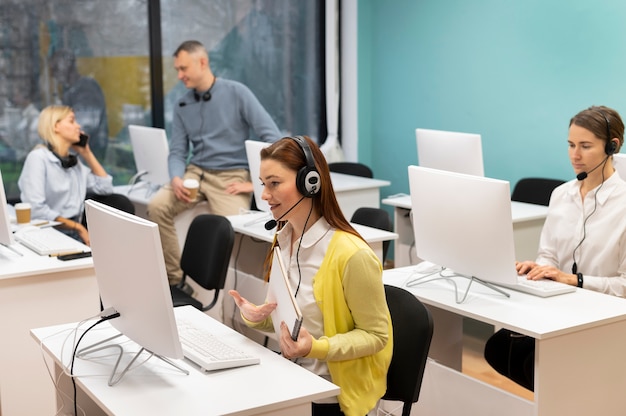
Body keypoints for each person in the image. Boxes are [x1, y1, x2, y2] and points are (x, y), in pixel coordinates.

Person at [229, 136, 393, 416]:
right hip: (292, 381)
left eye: (274, 183)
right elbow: (291, 324)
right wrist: (257, 316)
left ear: (310, 182)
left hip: (331, 395)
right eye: (262, 185)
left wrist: (315, 348)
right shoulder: (283, 239)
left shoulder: (352, 255)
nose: (265, 195)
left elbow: (377, 336)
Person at [484, 105, 626, 391]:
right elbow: (548, 254)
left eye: (586, 146)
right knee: (500, 349)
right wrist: (539, 268)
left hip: (606, 319)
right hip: (561, 309)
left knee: (536, 366)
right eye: (571, 145)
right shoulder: (561, 195)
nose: (575, 155)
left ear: (612, 147)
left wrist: (575, 280)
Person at [147, 40, 281, 284]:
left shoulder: (237, 92)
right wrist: (176, 177)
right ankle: (177, 281)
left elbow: (272, 138)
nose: (179, 75)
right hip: (194, 175)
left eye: (183, 68)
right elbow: (177, 150)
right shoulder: (182, 104)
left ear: (203, 62)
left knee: (240, 231)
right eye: (177, 69)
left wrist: (255, 183)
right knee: (157, 206)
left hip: (231, 177)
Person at [18, 105, 131, 246]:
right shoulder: (38, 158)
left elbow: (105, 188)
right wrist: (77, 227)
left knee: (120, 203)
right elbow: (36, 209)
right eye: (72, 121)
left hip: (75, 232)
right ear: (55, 126)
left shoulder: (73, 163)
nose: (78, 126)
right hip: (50, 232)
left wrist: (87, 153)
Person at [49, 49, 109, 161]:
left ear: (67, 67)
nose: (53, 75)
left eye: (55, 69)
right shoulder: (69, 90)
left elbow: (83, 129)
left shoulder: (87, 89)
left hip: (89, 156)